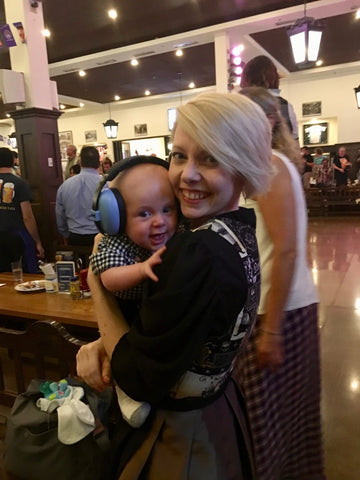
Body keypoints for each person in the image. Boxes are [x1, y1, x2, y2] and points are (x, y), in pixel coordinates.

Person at [76, 92, 273, 480]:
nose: (187, 175)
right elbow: (175, 328)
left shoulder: (198, 251)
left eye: (210, 158)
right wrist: (114, 338)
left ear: (243, 167)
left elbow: (135, 376)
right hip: (218, 413)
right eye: (180, 155)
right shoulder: (238, 230)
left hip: (179, 435)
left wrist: (98, 282)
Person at [237, 87, 326, 480]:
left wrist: (270, 331)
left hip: (276, 311)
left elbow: (287, 251)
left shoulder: (268, 165)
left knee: (268, 421)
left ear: (269, 121)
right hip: (284, 304)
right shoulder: (269, 164)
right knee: (286, 416)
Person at [90, 158, 178, 428]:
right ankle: (128, 396)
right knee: (125, 355)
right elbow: (108, 280)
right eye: (144, 214)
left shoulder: (178, 238)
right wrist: (141, 269)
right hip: (126, 311)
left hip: (152, 312)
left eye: (167, 209)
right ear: (114, 218)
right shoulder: (115, 243)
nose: (159, 222)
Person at [0, 147, 44, 273]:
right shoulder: (19, 183)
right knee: (23, 274)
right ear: (13, 161)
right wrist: (37, 241)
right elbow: (27, 217)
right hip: (16, 236)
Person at [240, 55, 299, 141]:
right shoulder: (286, 106)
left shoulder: (242, 106)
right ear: (274, 78)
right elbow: (295, 142)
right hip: (281, 152)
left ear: (246, 79)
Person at [56, 146, 102, 246]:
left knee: (78, 261)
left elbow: (60, 215)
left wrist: (65, 234)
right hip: (101, 236)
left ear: (80, 163)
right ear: (99, 163)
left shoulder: (65, 186)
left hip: (75, 236)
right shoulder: (106, 185)